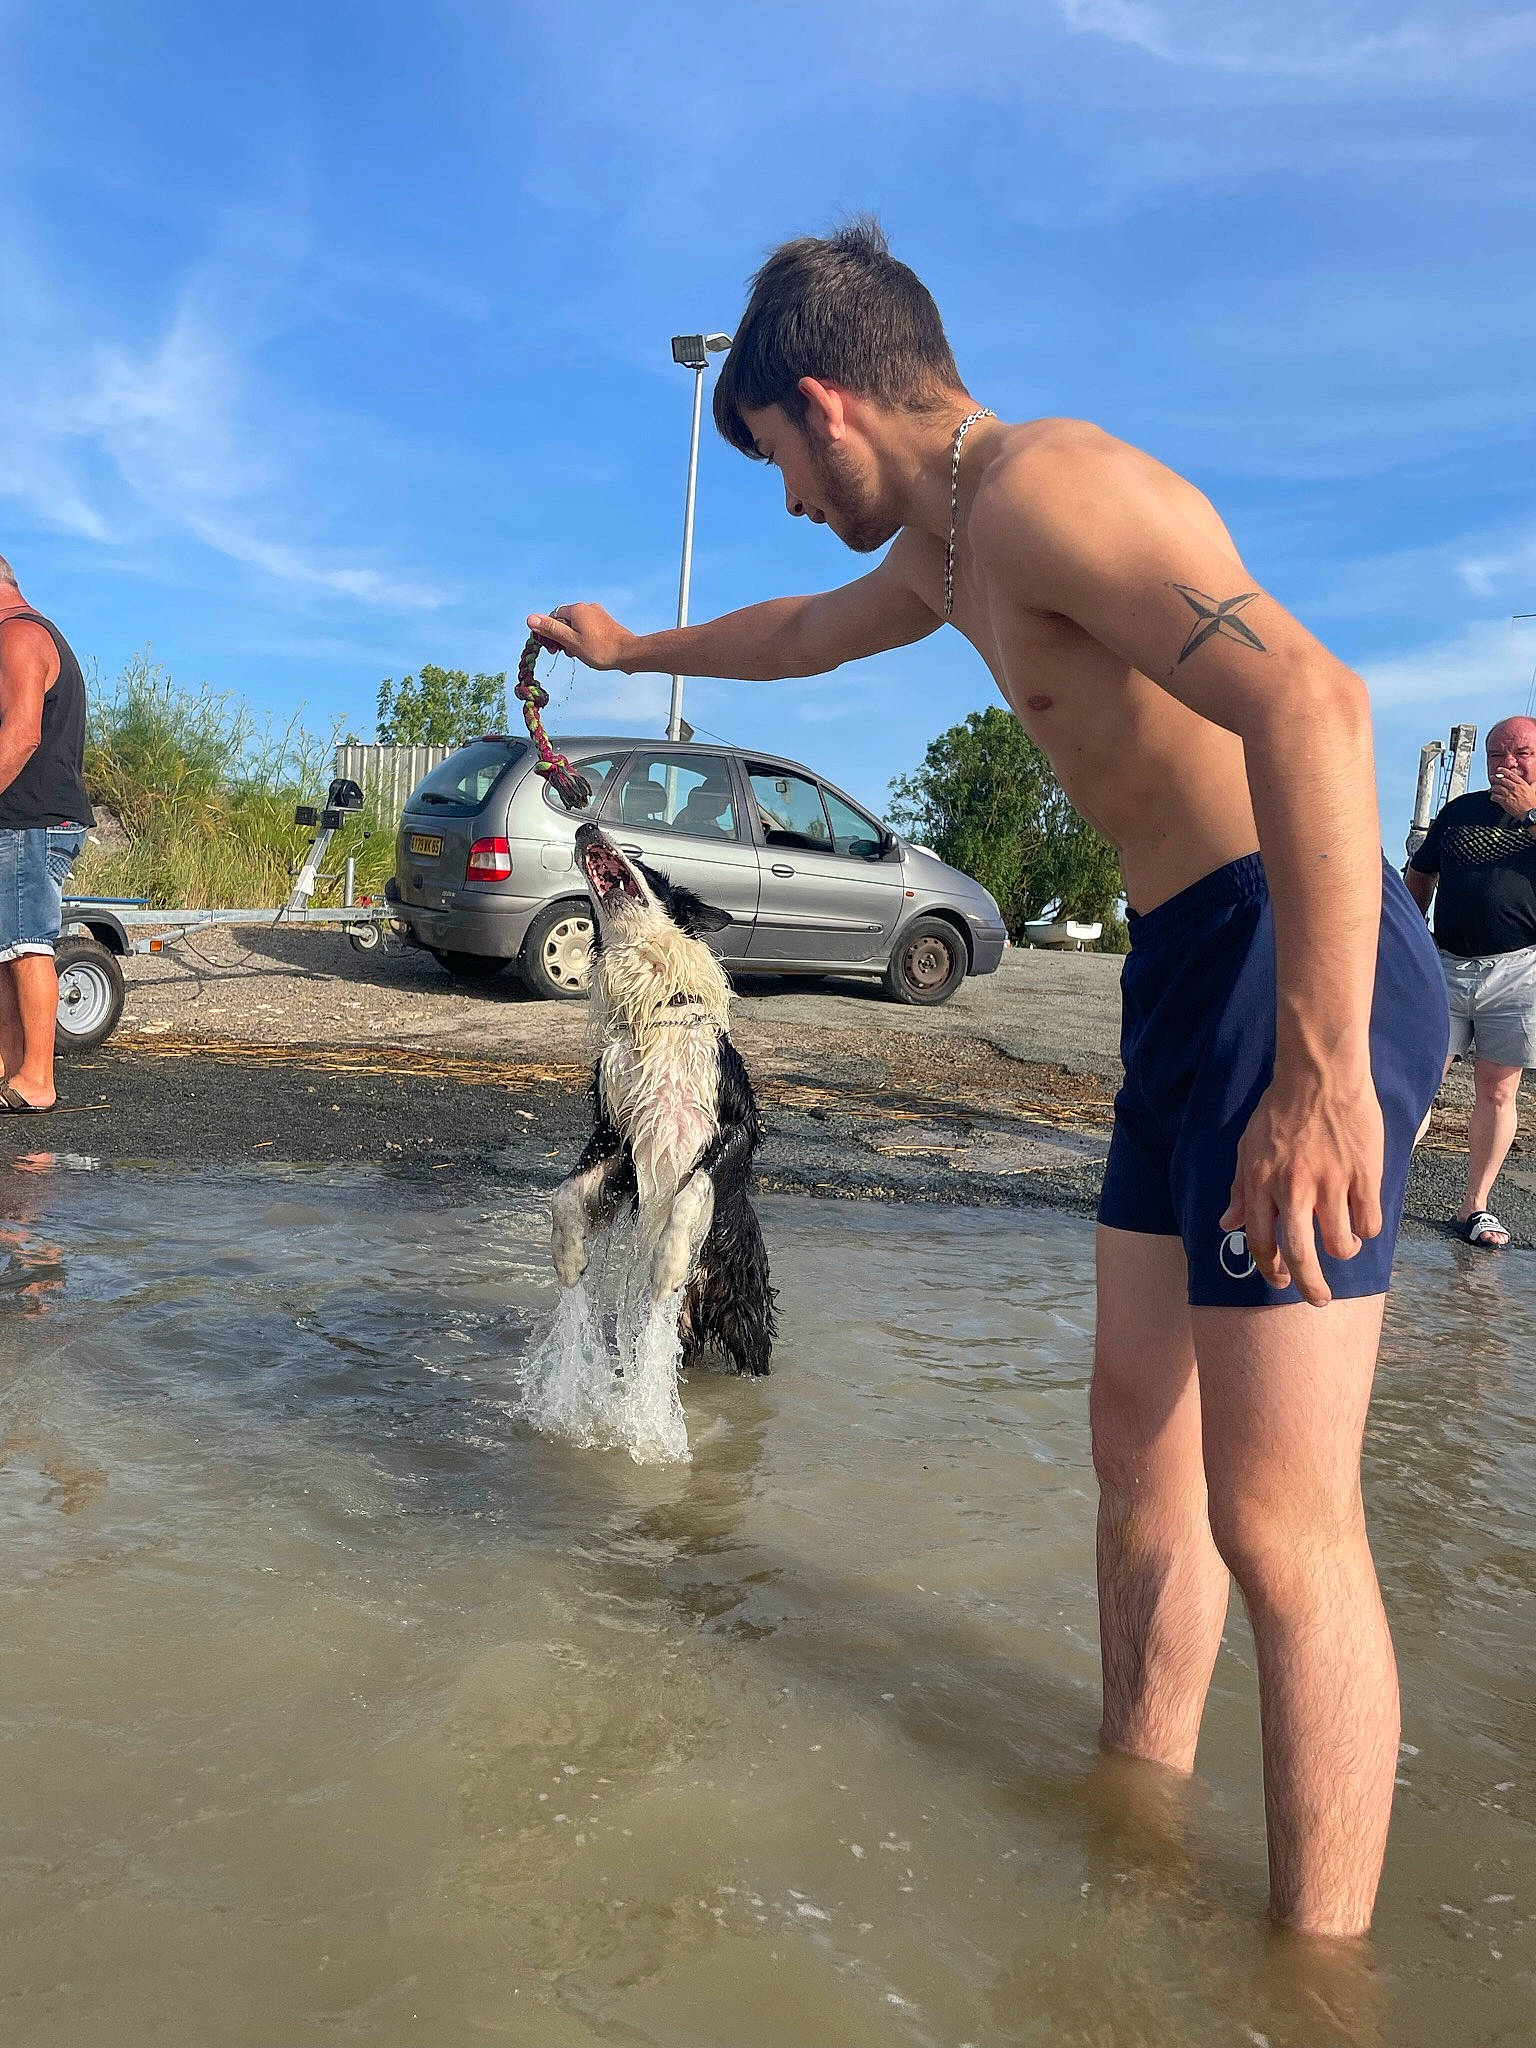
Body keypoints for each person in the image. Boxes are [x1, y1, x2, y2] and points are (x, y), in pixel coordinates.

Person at [530, 221, 1447, 1939]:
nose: (787, 497)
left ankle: (1319, 1986)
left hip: (1290, 952)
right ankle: (1136, 1839)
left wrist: (1324, 1066)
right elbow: (802, 633)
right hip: (1184, 965)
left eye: (777, 458)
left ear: (825, 403)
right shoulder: (952, 548)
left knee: (1281, 1518)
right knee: (1136, 1449)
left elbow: (1317, 705)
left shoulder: (1045, 491)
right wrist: (632, 651)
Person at [1404, 716, 1536, 1248]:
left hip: (1519, 969)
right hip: (1445, 964)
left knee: (1498, 1089)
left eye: (1521, 753)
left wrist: (1528, 814)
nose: (1507, 764)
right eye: (1496, 755)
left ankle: (1474, 1207)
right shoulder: (1460, 812)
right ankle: (1384, 1186)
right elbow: (1421, 873)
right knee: (1417, 1076)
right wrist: (1407, 936)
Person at [0, 553, 95, 1112]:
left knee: (26, 943)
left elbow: (22, 735)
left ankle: (37, 1078)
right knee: (7, 947)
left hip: (29, 820)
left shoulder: (19, 636)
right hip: (26, 819)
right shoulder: (29, 634)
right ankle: (12, 1068)